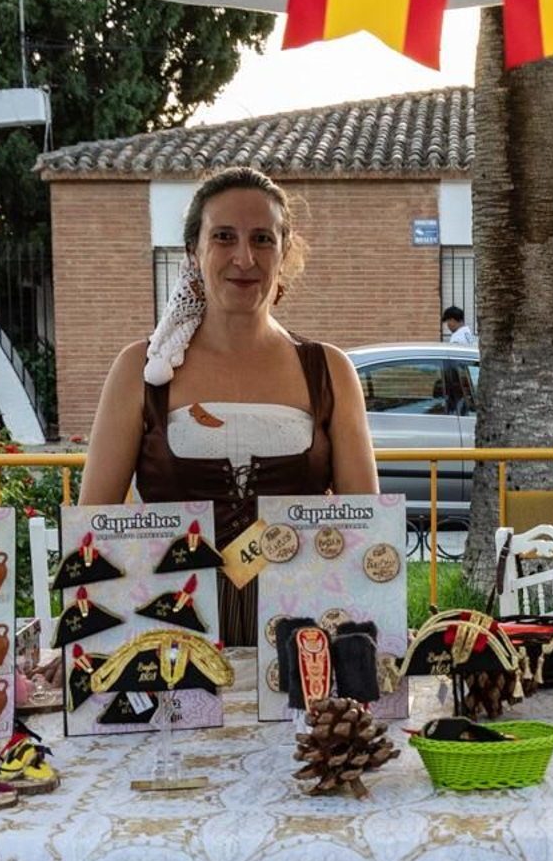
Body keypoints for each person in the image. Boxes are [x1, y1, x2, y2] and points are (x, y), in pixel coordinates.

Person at [80, 167, 379, 646]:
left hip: (302, 639)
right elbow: (94, 526)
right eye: (224, 237)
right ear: (193, 252)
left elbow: (364, 527)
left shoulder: (329, 371)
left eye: (262, 239)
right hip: (168, 639)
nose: (244, 257)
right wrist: (87, 636)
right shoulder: (139, 370)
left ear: (284, 254)